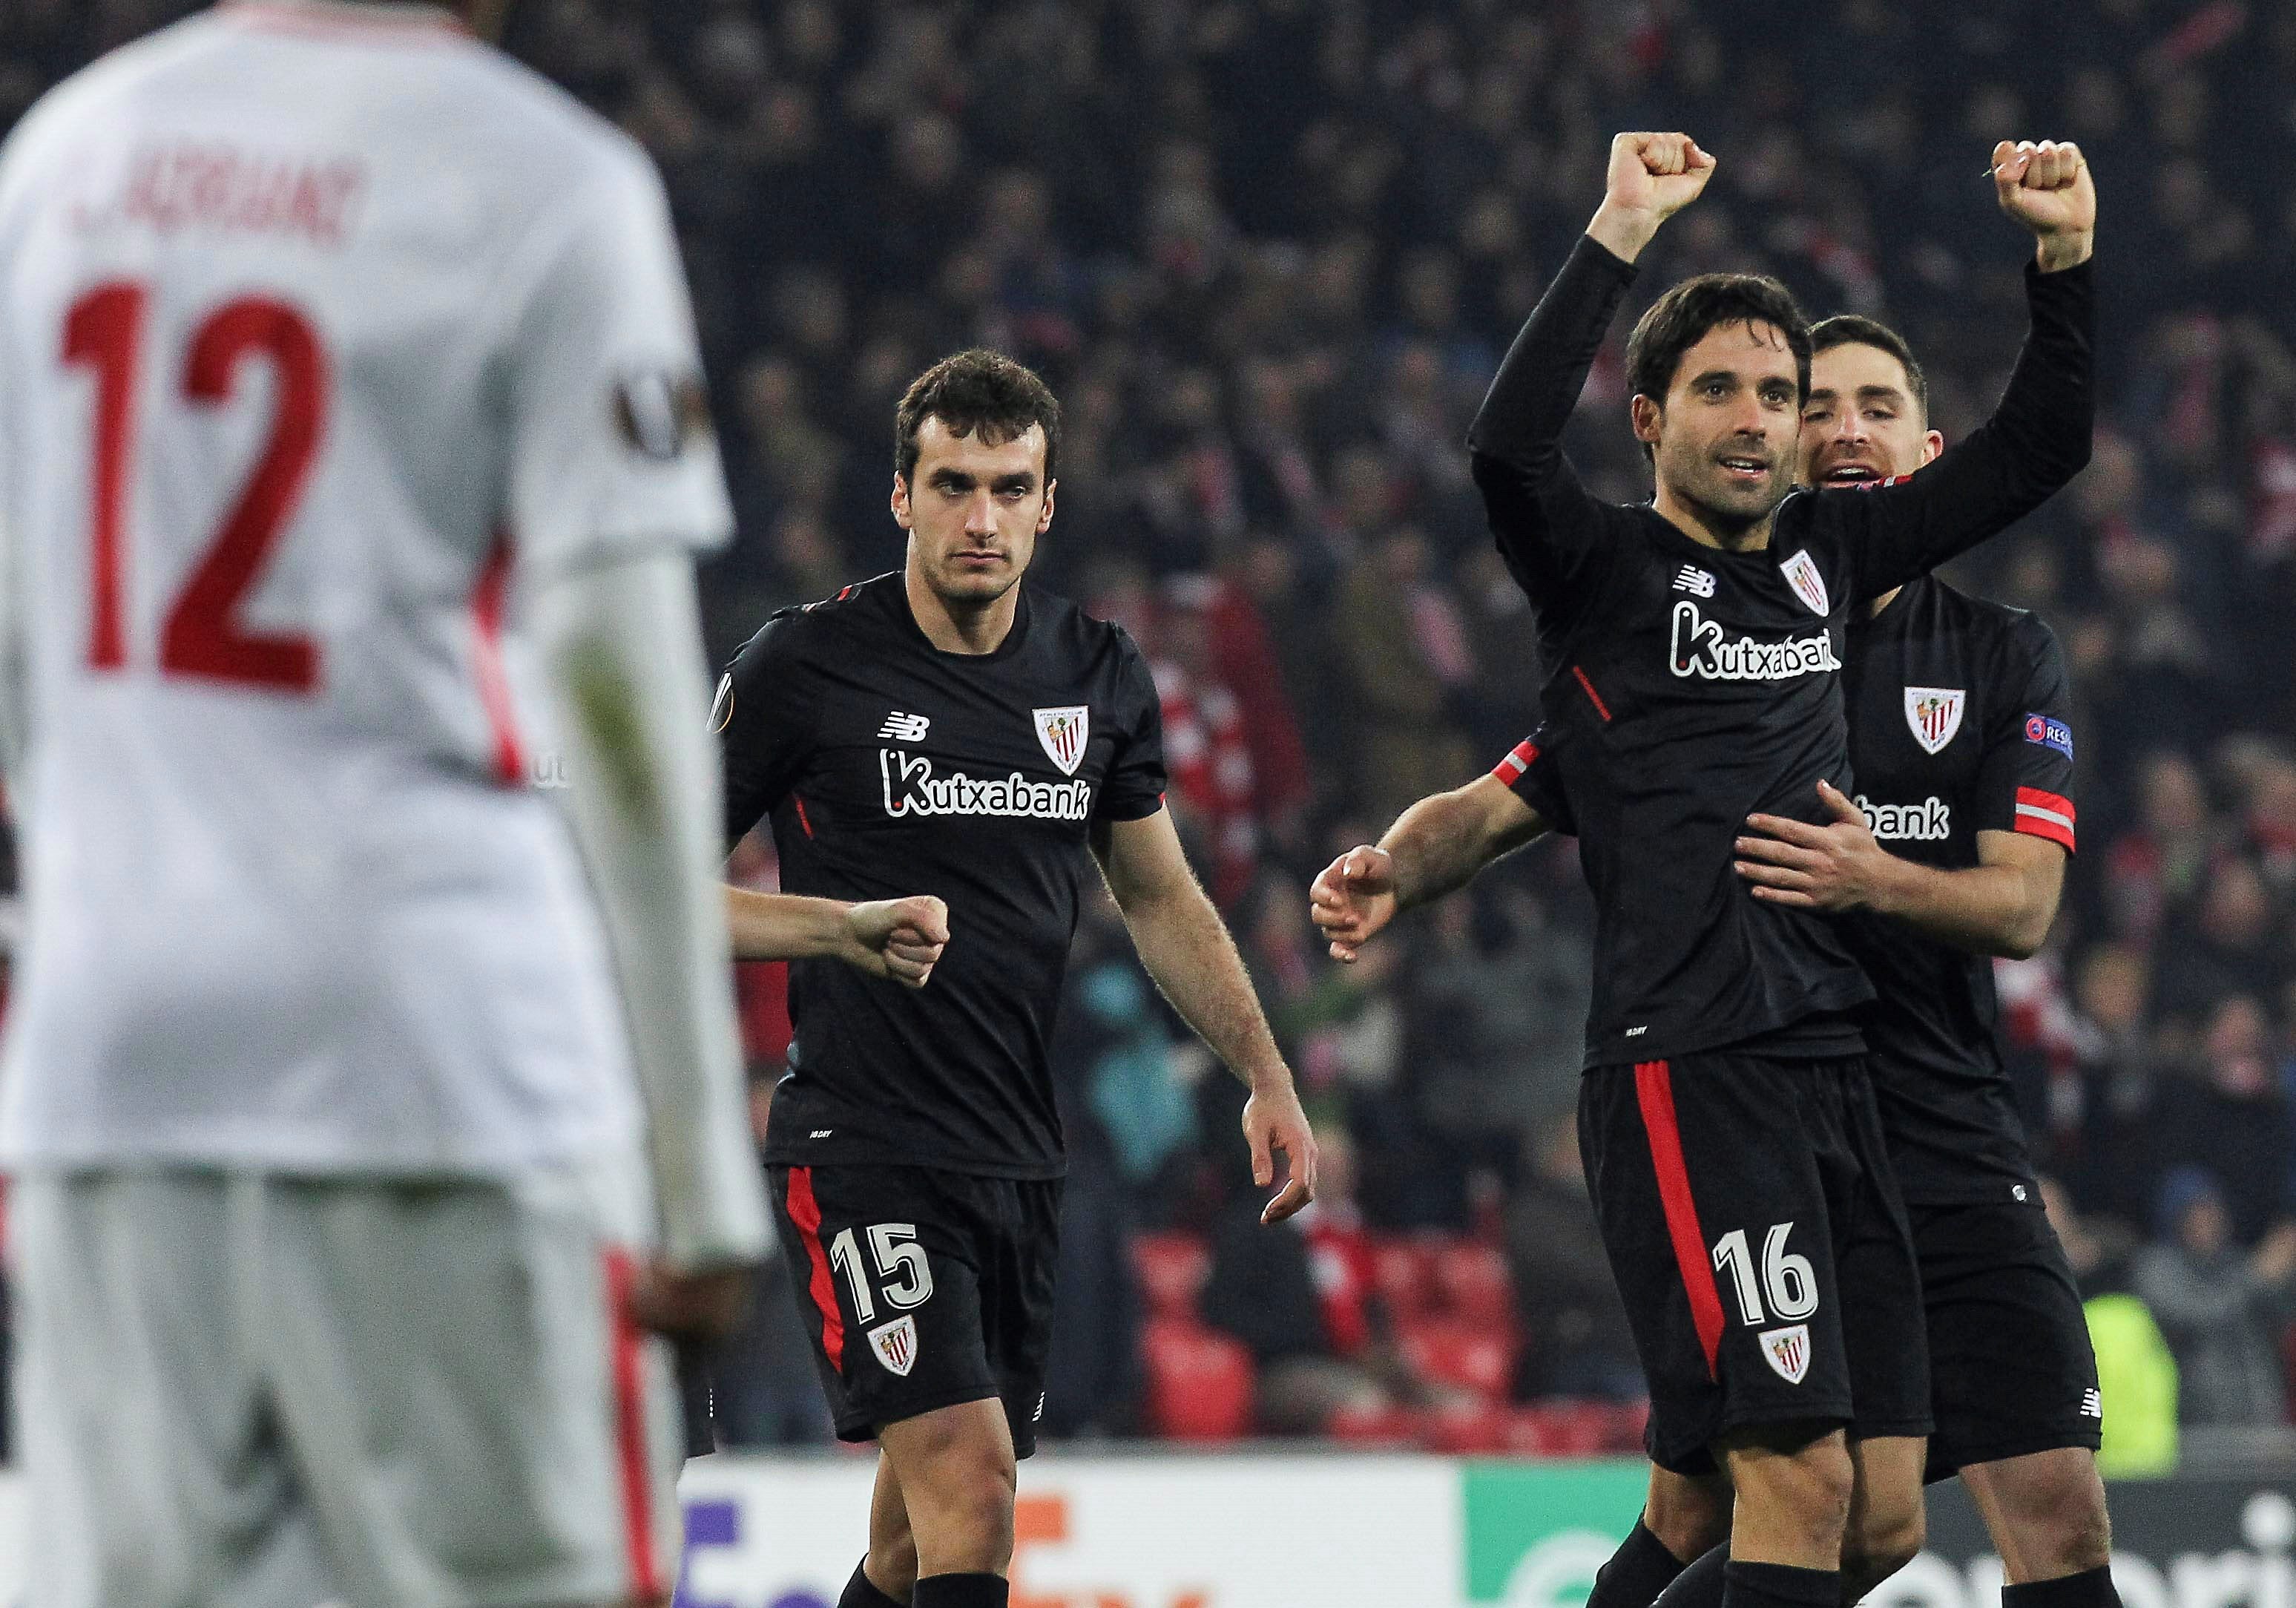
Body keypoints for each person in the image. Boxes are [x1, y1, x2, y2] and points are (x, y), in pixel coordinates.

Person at [0, 1, 772, 1603]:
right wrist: (697, 1168)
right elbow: (625, 705)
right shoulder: (546, 182)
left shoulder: (60, 162)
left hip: (111, 1070)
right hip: (439, 1067)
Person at [1341, 129, 2093, 1608]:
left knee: (1878, 1517)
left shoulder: (1831, 555)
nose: (1763, 421)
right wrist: (1617, 227)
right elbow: (1504, 448)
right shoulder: (1603, 574)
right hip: (1695, 1067)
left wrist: (2063, 258)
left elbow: (2042, 447)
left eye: (1779, 394)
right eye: (1723, 393)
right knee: (1797, 1481)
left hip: (1832, 1077)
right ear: (1650, 418)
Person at [714, 347, 1318, 1608]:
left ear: (1049, 505)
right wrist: (837, 931)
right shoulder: (807, 667)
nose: (979, 518)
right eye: (950, 485)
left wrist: (1265, 1070)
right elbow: (644, 892)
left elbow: (1158, 895)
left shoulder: (1095, 676)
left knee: (908, 1542)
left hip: (1018, 1152)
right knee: (978, 1490)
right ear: (900, 497)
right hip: (860, 1136)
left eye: (1007, 487)